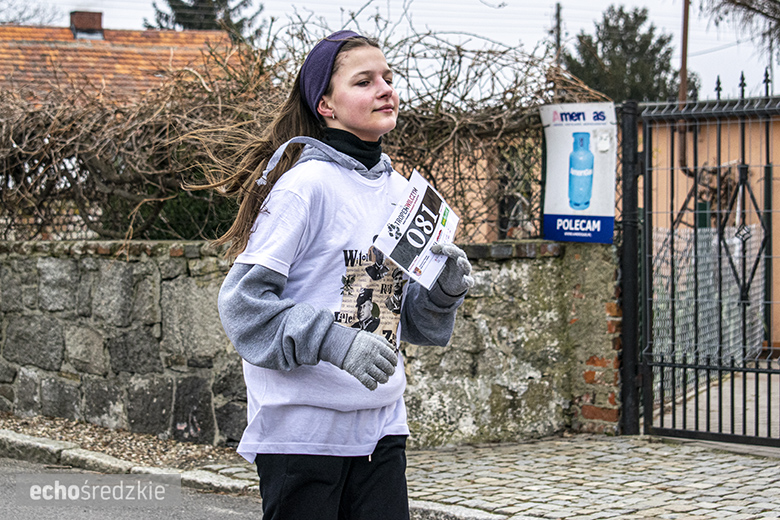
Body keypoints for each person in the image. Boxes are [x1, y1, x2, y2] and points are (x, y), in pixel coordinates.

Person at [208, 30, 474, 520]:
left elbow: (392, 313)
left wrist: (441, 293)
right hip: (303, 431)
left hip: (381, 425)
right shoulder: (304, 187)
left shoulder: (400, 191)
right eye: (365, 81)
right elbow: (243, 306)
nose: (386, 89)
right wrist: (337, 344)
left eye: (389, 78)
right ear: (326, 105)